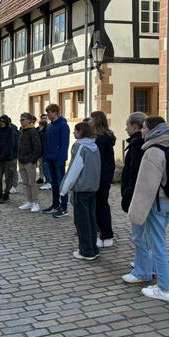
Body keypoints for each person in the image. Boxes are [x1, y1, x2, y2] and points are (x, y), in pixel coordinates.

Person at [127, 116, 169, 302]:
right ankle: (158, 279)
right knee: (154, 242)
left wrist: (135, 214)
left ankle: (165, 288)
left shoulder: (153, 152)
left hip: (158, 203)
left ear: (152, 130)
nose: (142, 131)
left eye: (144, 128)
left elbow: (145, 187)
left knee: (158, 245)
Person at [60, 122, 101, 260]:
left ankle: (86, 251)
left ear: (81, 132)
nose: (73, 133)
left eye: (75, 131)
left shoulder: (80, 146)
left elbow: (74, 169)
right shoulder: (94, 146)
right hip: (93, 188)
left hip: (82, 189)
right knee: (91, 219)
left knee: (82, 221)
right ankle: (93, 248)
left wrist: (64, 189)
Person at [90, 111, 116, 247]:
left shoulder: (102, 138)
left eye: (91, 119)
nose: (89, 121)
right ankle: (101, 232)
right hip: (99, 176)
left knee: (101, 206)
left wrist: (103, 177)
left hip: (101, 177)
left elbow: (101, 160)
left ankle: (107, 235)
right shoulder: (99, 137)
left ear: (96, 121)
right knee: (99, 205)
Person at [42, 104, 70, 217]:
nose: (48, 115)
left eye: (49, 112)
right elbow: (46, 143)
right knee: (54, 184)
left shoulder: (63, 125)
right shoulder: (49, 126)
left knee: (61, 184)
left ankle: (64, 208)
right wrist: (45, 157)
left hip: (58, 160)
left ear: (55, 112)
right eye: (47, 112)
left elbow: (64, 144)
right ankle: (55, 205)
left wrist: (61, 159)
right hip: (50, 159)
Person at [121, 112, 147, 213]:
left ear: (135, 126)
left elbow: (134, 168)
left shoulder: (137, 143)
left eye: (127, 125)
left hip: (135, 190)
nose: (126, 128)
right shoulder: (141, 140)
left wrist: (129, 190)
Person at [17, 113, 41, 213]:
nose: (21, 121)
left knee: (32, 183)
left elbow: (37, 147)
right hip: (21, 160)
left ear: (29, 120)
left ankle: (35, 203)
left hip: (29, 162)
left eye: (23, 119)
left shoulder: (33, 131)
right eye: (20, 119)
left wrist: (32, 160)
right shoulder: (22, 130)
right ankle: (29, 201)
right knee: (25, 183)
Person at [0, 116, 15, 203]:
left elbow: (9, 144)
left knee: (8, 177)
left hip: (7, 158)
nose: (1, 123)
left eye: (3, 122)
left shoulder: (10, 131)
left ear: (6, 122)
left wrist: (2, 156)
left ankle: (6, 194)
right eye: (0, 122)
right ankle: (0, 193)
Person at [37, 114, 51, 190]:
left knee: (46, 168)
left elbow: (43, 143)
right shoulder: (41, 131)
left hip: (45, 152)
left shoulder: (44, 132)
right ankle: (46, 181)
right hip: (43, 152)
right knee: (43, 167)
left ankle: (48, 182)